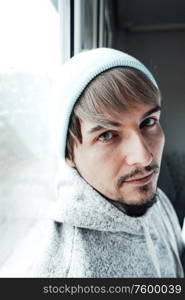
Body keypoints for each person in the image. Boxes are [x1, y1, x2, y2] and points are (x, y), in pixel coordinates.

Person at [1, 48, 185, 277]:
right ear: (69, 155)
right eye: (107, 135)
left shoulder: (153, 198)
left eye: (148, 122)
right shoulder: (64, 269)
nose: (144, 157)